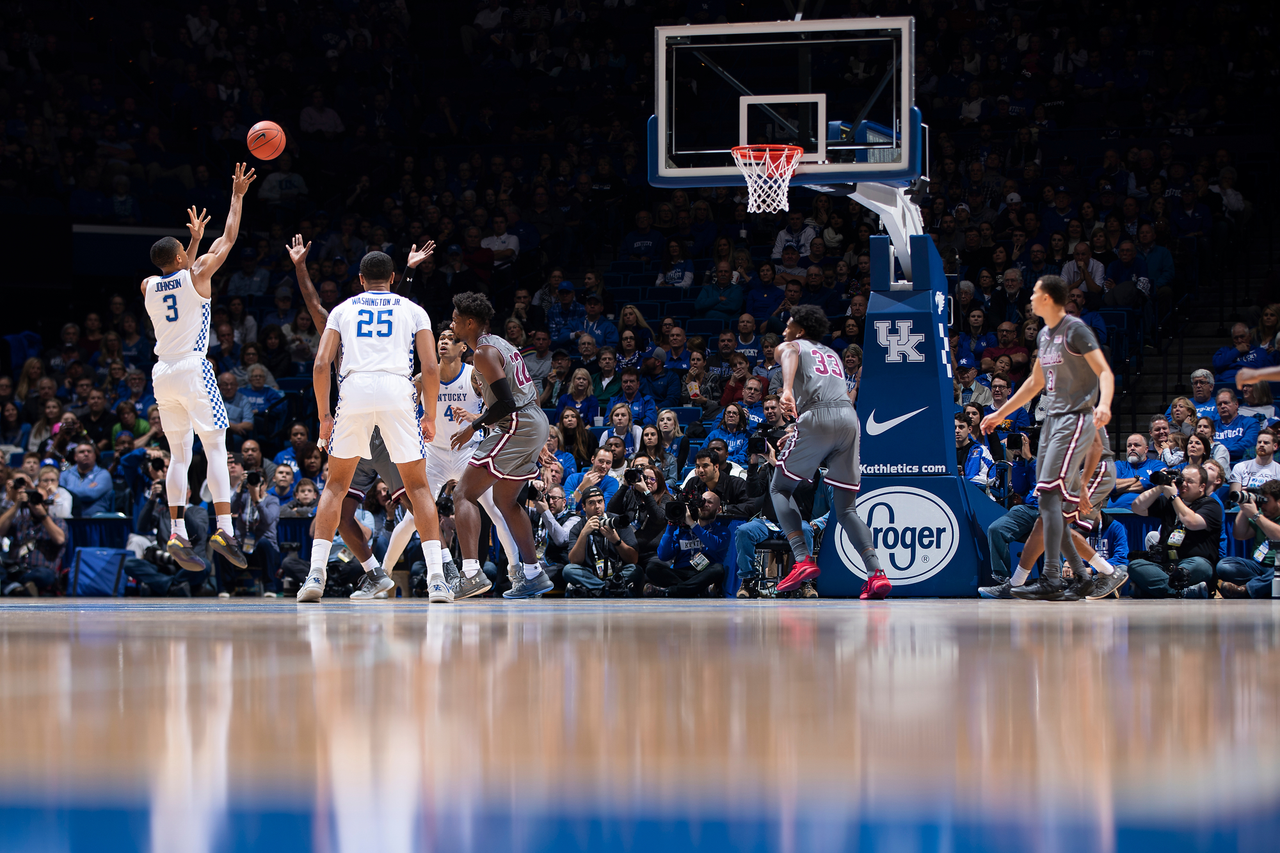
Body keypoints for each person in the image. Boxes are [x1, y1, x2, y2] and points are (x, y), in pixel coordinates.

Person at [301, 251, 451, 604]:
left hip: (354, 388)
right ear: (393, 276)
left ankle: (315, 575)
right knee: (418, 488)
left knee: (335, 486)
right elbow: (431, 367)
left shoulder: (343, 309)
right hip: (397, 389)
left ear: (361, 279)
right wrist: (430, 415)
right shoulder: (413, 310)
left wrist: (324, 416)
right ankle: (437, 580)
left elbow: (321, 365)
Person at [141, 167, 255, 576]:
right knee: (216, 447)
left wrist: (190, 242)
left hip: (162, 373)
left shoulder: (147, 285)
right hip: (193, 367)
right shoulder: (199, 274)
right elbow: (229, 238)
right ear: (180, 258)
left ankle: (176, 531)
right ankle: (225, 528)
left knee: (179, 455)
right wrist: (237, 195)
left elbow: (176, 271)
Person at [981, 274, 1114, 600]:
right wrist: (1000, 413)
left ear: (1049, 299)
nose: (1030, 299)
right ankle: (1085, 576)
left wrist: (1105, 404)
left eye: (1035, 293)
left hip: (1079, 430)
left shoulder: (1076, 330)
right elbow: (1034, 382)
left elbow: (1104, 371)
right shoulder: (1044, 335)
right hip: (1057, 427)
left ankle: (1050, 578)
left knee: (1049, 508)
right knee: (1049, 512)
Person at [380, 327, 521, 600]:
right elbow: (400, 411)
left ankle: (516, 572)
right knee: (412, 519)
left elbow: (499, 410)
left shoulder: (474, 375)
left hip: (468, 450)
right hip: (434, 454)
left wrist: (474, 417)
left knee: (494, 509)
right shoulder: (422, 378)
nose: (444, 342)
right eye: (441, 339)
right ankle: (383, 576)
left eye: (451, 339)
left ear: (463, 348)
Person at [770, 305, 890, 599]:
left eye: (789, 324)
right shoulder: (832, 355)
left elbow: (789, 353)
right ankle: (876, 573)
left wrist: (787, 389)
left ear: (800, 330)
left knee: (779, 488)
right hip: (848, 419)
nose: (785, 329)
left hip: (817, 416)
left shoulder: (791, 345)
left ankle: (801, 558)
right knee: (847, 509)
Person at [448, 292, 556, 599]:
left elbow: (507, 403)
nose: (452, 324)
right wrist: (539, 437)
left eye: (455, 319)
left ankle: (471, 574)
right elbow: (529, 390)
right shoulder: (502, 344)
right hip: (533, 421)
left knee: (463, 493)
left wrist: (472, 427)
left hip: (517, 422)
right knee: (506, 501)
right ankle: (534, 574)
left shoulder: (483, 352)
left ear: (470, 322)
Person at [1126, 464, 1222, 598]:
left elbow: (1191, 522)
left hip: (1193, 564)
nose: (1184, 484)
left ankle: (1158, 588)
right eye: (1182, 479)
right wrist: (1161, 486)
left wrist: (1173, 497)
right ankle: (1181, 592)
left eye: (1190, 481)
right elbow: (1137, 507)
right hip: (1166, 565)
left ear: (1202, 487)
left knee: (1201, 566)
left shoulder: (1211, 505)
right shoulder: (1168, 502)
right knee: (1135, 565)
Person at [647, 488, 731, 597]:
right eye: (702, 501)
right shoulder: (682, 530)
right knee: (652, 568)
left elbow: (714, 545)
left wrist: (692, 524)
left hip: (704, 574)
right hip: (681, 573)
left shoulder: (722, 531)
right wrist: (670, 526)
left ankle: (670, 591)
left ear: (718, 509)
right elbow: (663, 556)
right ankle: (697, 591)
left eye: (709, 502)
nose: (704, 504)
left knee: (718, 569)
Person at [0, 469, 69, 596]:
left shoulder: (57, 522)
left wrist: (43, 515)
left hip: (40, 572)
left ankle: (13, 588)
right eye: (35, 500)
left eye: (41, 500)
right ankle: (19, 588)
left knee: (44, 575)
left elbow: (60, 539)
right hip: (16, 570)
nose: (38, 504)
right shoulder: (21, 520)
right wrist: (16, 504)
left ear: (47, 502)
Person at [561, 486, 641, 597]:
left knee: (635, 570)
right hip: (591, 574)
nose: (597, 506)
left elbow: (633, 559)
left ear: (604, 503)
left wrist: (616, 540)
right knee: (568, 570)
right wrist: (583, 534)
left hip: (616, 573)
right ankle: (609, 589)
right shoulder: (578, 528)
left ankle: (597, 590)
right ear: (583, 507)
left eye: (600, 501)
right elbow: (574, 561)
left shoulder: (618, 522)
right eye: (591, 503)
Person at [1216, 480, 1280, 598]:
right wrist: (1244, 506)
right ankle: (1263, 586)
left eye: (1266, 501)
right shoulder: (1261, 515)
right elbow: (1240, 534)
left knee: (1277, 573)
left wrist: (1256, 516)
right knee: (1224, 565)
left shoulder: (1259, 516)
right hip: (1258, 566)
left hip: (1277, 567)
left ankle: (1247, 589)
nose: (1262, 506)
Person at [1213, 387, 1261, 464]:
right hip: (1215, 464)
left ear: (1236, 404)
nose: (1222, 406)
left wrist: (1220, 451)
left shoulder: (1251, 423)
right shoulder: (1211, 426)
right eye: (1219, 404)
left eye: (1226, 403)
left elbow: (1247, 446)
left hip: (1243, 464)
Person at [955, 413, 994, 488]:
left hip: (974, 491)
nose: (957, 430)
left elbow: (990, 478)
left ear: (969, 429)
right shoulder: (945, 452)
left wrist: (964, 480)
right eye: (954, 427)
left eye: (961, 427)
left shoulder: (981, 450)